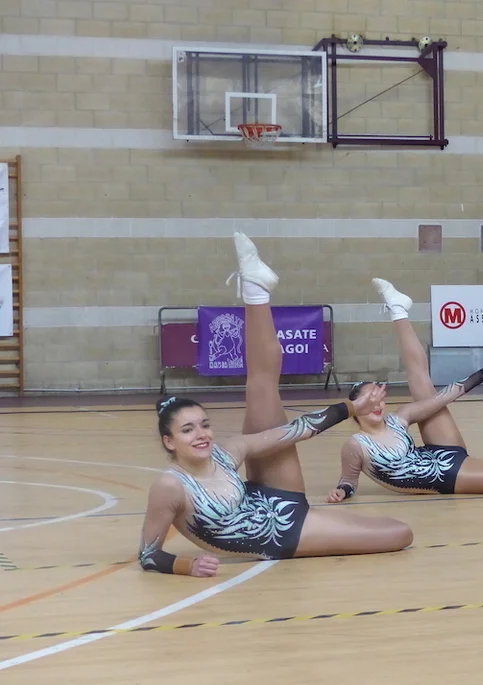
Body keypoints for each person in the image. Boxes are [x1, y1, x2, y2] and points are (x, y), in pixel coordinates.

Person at [138, 233, 413, 577]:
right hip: (286, 535)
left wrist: (350, 409)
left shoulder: (227, 453)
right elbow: (149, 554)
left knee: (262, 383)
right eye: (188, 430)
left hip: (278, 495)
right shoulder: (170, 487)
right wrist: (185, 565)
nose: (201, 434)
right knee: (400, 534)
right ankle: (322, 524)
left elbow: (296, 430)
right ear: (169, 441)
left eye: (204, 425)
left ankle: (255, 288)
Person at [326, 279, 483, 503]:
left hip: (444, 452)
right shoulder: (355, 445)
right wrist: (342, 491)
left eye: (379, 397)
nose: (377, 404)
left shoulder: (398, 419)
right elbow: (349, 481)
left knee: (422, 383)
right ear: (355, 409)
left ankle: (398, 308)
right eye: (369, 400)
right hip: (446, 477)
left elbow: (446, 396)